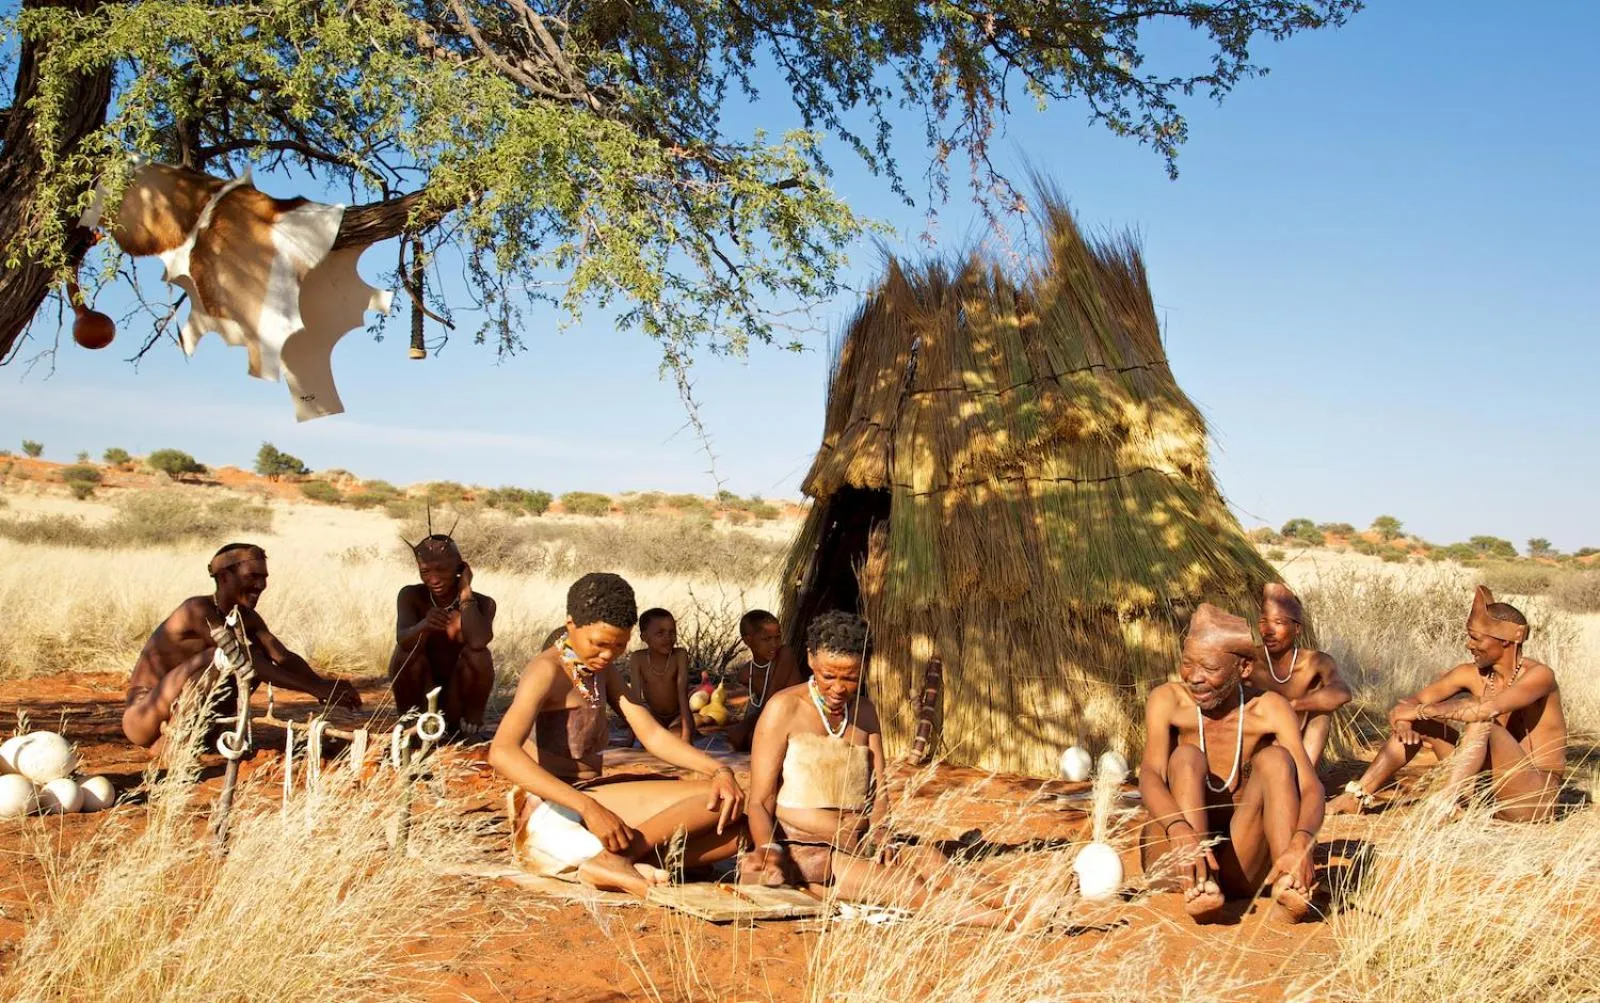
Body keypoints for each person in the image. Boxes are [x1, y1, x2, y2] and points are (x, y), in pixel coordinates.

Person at [739, 610, 1032, 929]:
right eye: (828, 676)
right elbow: (760, 801)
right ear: (811, 659)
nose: (838, 688)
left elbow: (879, 793)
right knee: (906, 887)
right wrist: (769, 849)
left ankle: (1022, 904)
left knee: (931, 860)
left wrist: (882, 832)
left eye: (850, 678)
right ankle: (1013, 925)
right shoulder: (783, 708)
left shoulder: (864, 712)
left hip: (860, 841)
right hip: (806, 852)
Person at [489, 572, 747, 896]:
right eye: (599, 644)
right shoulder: (547, 670)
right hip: (552, 812)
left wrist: (719, 770)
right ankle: (614, 860)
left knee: (736, 831)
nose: (608, 655)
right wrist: (588, 808)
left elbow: (651, 734)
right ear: (571, 625)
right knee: (710, 802)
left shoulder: (602, 671)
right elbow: (501, 752)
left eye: (619, 646)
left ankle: (616, 861)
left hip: (588, 799)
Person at [1138, 604, 1323, 924]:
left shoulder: (1269, 710)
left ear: (1244, 668)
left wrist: (1302, 840)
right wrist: (1178, 828)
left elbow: (1311, 786)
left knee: (1277, 760)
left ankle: (1289, 884)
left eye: (1209, 668)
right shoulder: (1167, 701)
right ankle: (1199, 887)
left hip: (1240, 861)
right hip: (1174, 855)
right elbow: (1150, 775)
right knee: (1185, 757)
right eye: (1187, 664)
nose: (1194, 677)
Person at [1327, 586, 1565, 821]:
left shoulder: (1539, 676)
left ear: (1505, 641)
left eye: (1476, 638)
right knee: (1423, 724)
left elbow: (1486, 709)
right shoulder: (1470, 673)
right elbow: (1407, 705)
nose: (1469, 645)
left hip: (1532, 799)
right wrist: (1405, 723)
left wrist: (1420, 711)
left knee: (1482, 720)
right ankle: (1357, 796)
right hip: (1484, 793)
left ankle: (1447, 802)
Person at [123, 543, 361, 750]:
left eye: (264, 577)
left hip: (181, 708)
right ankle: (172, 747)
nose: (261, 585)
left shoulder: (247, 618)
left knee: (249, 658)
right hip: (144, 716)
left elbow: (283, 657)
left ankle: (205, 734)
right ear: (224, 577)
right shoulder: (196, 609)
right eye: (252, 576)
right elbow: (244, 659)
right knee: (222, 658)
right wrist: (314, 688)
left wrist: (324, 685)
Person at [388, 532, 496, 738]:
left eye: (442, 569)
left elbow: (478, 641)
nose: (434, 579)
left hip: (458, 701)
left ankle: (470, 722)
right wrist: (424, 626)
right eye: (425, 571)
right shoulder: (411, 596)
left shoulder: (483, 603)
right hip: (421, 696)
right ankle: (410, 719)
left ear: (460, 568)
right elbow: (403, 640)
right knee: (405, 653)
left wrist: (465, 593)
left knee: (480, 655)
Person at [1253, 583, 1352, 766]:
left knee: (1322, 712)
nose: (1268, 631)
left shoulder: (1316, 661)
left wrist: (1294, 705)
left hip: (1297, 747)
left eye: (1278, 623)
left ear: (1297, 629)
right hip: (1256, 745)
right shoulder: (1249, 660)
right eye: (1263, 622)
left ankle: (1305, 777)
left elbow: (1342, 693)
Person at [725, 609, 803, 752]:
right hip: (771, 720)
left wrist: (744, 726)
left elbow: (771, 702)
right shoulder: (745, 673)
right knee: (746, 738)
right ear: (748, 641)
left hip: (796, 719)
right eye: (766, 639)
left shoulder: (785, 654)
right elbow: (754, 707)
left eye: (777, 637)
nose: (774, 644)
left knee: (751, 738)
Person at [624, 608, 693, 742]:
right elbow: (636, 700)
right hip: (653, 715)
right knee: (653, 740)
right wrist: (630, 739)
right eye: (660, 633)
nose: (668, 637)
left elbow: (683, 695)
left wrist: (687, 735)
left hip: (677, 715)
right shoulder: (638, 658)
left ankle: (692, 724)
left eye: (672, 632)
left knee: (675, 740)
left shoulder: (680, 655)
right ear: (644, 637)